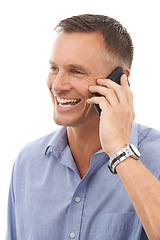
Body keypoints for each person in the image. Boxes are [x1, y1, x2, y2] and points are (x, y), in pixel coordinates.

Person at [6, 14, 160, 240]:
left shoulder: (156, 157)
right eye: (54, 68)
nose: (57, 86)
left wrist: (120, 149)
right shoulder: (27, 163)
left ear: (119, 80)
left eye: (77, 71)